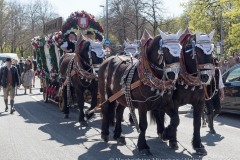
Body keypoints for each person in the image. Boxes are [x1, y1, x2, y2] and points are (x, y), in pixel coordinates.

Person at [205, 59, 225, 134]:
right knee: (210, 110)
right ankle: (211, 127)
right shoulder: (205, 71)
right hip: (207, 94)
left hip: (216, 93)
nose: (213, 66)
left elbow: (220, 83)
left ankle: (209, 119)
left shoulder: (217, 71)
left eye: (214, 65)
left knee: (218, 109)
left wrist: (222, 93)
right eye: (212, 64)